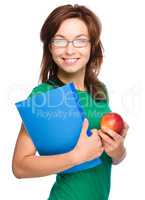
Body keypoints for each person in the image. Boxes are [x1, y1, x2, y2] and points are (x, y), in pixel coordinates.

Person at [12, 4, 129, 200]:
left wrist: (118, 151)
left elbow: (111, 159)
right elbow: (20, 166)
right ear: (50, 47)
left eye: (80, 40)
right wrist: (76, 157)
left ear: (92, 47)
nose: (69, 49)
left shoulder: (99, 91)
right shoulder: (44, 96)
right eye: (60, 40)